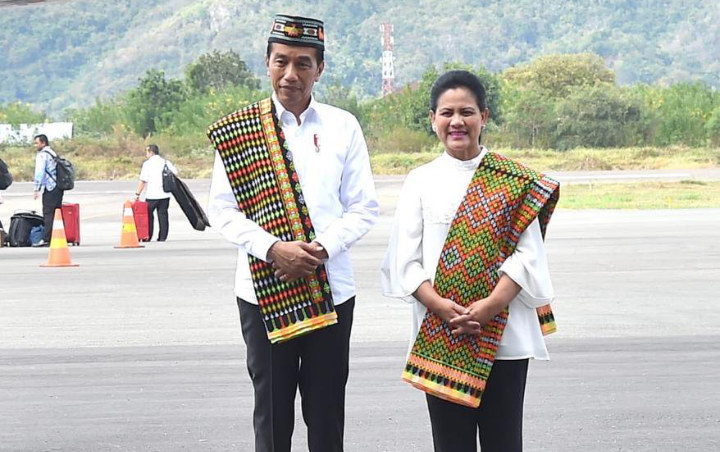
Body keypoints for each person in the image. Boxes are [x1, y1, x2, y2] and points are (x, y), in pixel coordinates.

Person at [206, 14, 378, 452]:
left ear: (320, 69)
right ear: (266, 63)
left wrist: (318, 250)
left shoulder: (343, 126)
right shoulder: (241, 132)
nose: (290, 74)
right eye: (281, 61)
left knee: (326, 417)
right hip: (264, 291)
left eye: (303, 63)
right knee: (271, 416)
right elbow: (223, 210)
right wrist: (274, 249)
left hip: (331, 289)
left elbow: (363, 207)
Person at [380, 70, 560, 452]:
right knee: (450, 444)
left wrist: (489, 307)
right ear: (432, 119)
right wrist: (442, 307)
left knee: (504, 441)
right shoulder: (420, 180)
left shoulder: (513, 180)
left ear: (484, 116)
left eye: (467, 112)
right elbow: (405, 261)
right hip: (442, 332)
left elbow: (527, 256)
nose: (457, 122)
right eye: (446, 113)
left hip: (503, 333)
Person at [135, 144, 178, 242]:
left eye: (147, 152)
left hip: (152, 195)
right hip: (165, 194)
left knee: (149, 216)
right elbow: (176, 173)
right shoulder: (166, 162)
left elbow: (143, 180)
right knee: (163, 215)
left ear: (151, 152)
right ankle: (162, 237)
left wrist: (137, 194)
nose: (146, 154)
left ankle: (148, 236)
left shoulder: (147, 164)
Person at [32, 134, 63, 247]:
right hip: (58, 187)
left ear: (43, 143)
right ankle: (58, 236)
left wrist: (37, 189)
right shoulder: (53, 153)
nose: (35, 145)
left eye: (37, 143)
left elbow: (39, 173)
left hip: (49, 187)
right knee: (57, 212)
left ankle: (46, 238)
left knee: (48, 213)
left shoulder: (42, 155)